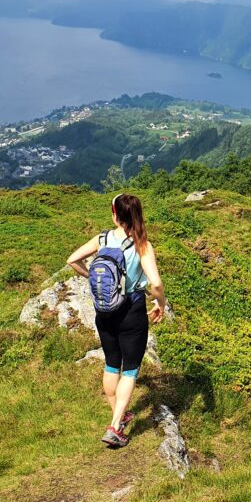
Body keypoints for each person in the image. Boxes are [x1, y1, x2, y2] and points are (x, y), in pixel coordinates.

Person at [66, 192, 167, 448]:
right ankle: (114, 427)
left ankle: (118, 418)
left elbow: (72, 260)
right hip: (131, 311)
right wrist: (160, 304)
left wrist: (91, 277)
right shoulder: (141, 244)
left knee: (112, 365)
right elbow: (155, 283)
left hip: (104, 311)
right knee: (131, 369)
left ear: (114, 214)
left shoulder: (102, 239)